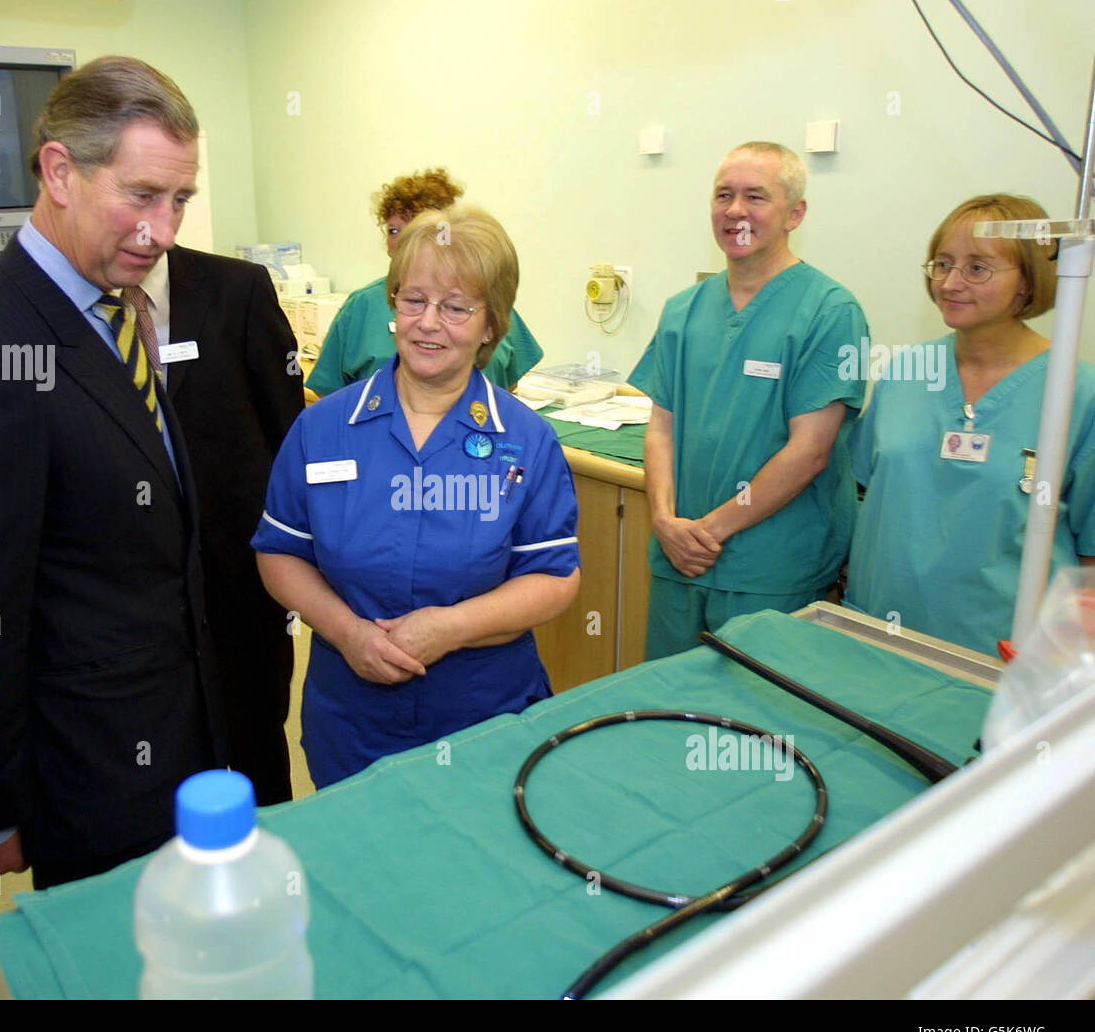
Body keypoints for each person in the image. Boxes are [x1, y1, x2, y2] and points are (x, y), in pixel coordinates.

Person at [0, 57, 227, 889]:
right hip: (90, 772)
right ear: (58, 172)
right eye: (142, 195)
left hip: (176, 732)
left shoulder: (107, 313)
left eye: (180, 200)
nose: (163, 231)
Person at [253, 204, 580, 787]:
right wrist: (348, 633)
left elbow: (555, 577)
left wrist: (449, 628)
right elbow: (280, 552)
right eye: (414, 300)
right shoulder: (323, 428)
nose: (429, 323)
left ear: (491, 325)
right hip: (352, 718)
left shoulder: (526, 441)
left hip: (486, 717)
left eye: (456, 308)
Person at [628, 141, 868, 658]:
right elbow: (660, 428)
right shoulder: (683, 310)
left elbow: (811, 451)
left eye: (756, 196)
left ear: (795, 213)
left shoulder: (829, 312)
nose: (735, 210)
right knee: (666, 710)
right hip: (680, 559)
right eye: (724, 195)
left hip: (769, 567)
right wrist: (666, 522)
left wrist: (708, 532)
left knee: (760, 726)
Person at [845, 193, 1095, 655]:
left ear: (1028, 282)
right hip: (880, 629)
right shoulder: (905, 373)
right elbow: (860, 493)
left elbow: (1090, 552)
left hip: (999, 650)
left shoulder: (1075, 393)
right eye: (942, 264)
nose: (951, 282)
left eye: (977, 268)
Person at [140, 244, 304, 804]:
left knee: (255, 742)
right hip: (135, 588)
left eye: (177, 197)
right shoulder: (65, 307)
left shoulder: (239, 289)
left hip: (238, 576)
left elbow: (286, 433)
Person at [305, 167, 544, 396]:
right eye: (393, 230)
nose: (404, 241)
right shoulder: (363, 305)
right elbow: (329, 390)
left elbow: (510, 381)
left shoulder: (487, 299)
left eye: (455, 308)